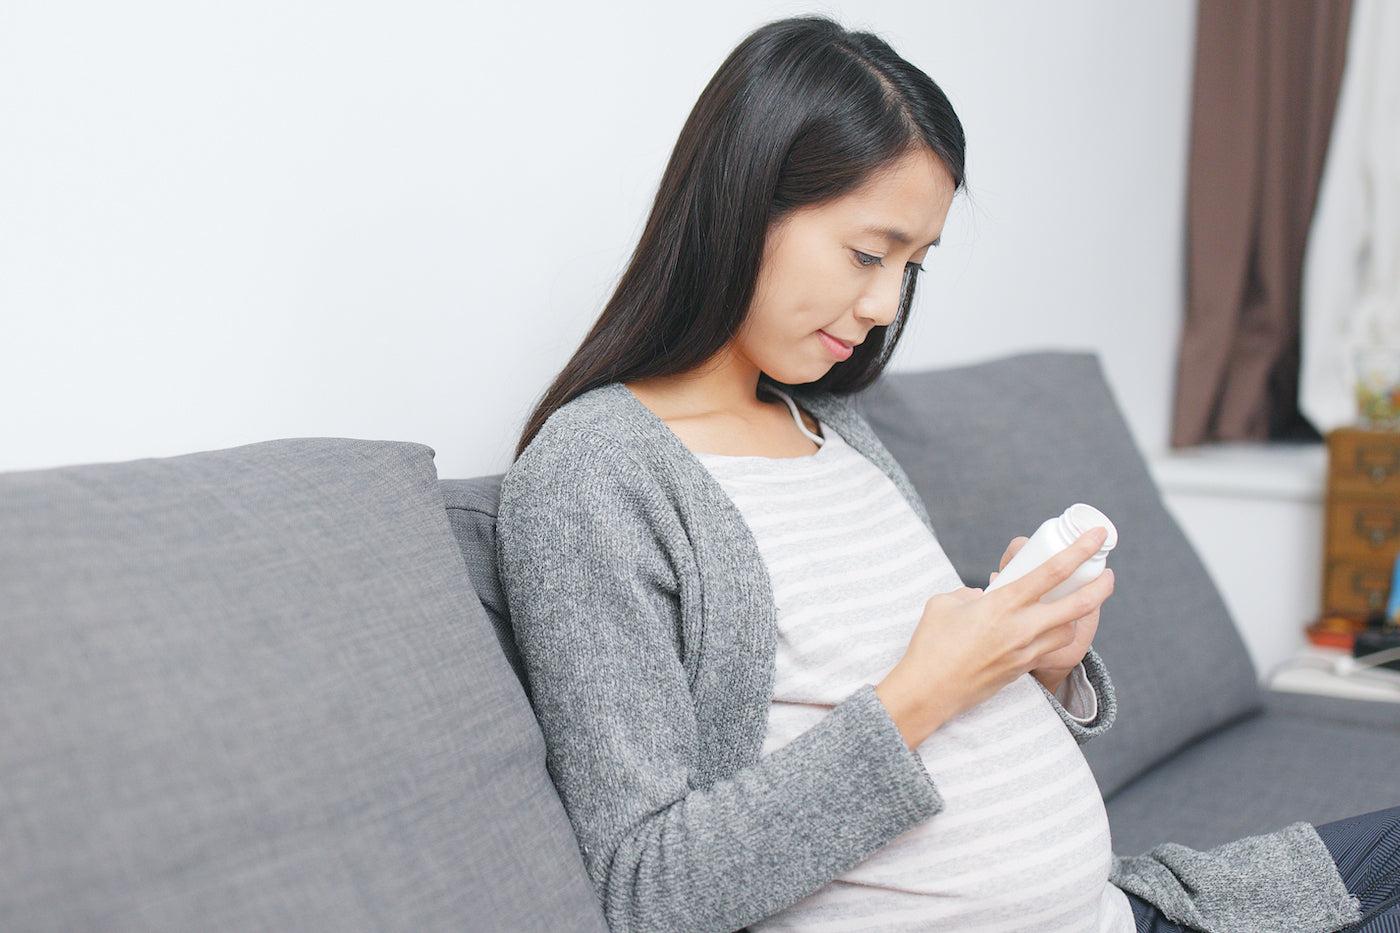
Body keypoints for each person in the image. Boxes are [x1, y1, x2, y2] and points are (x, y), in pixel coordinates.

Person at [495, 14, 1399, 932]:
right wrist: (927, 688)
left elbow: (942, 721)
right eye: (867, 253)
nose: (886, 305)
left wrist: (1040, 664)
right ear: (744, 200)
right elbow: (646, 889)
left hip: (1127, 906)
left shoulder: (834, 426)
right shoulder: (595, 476)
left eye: (911, 265)